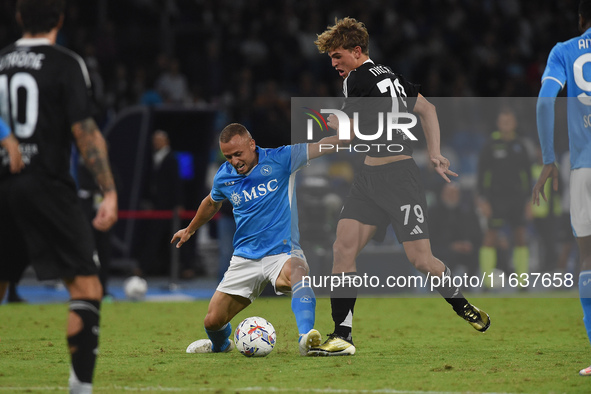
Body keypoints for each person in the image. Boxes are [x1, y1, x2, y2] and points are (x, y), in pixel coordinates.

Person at [312, 17, 490, 356]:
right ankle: (342, 335)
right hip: (370, 180)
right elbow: (428, 109)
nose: (334, 64)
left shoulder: (357, 81)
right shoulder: (389, 74)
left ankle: (461, 304)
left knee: (421, 260)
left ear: (356, 51)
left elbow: (350, 135)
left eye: (337, 56)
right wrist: (434, 153)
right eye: (331, 58)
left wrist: (319, 137)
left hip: (398, 181)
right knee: (342, 248)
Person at [0, 2, 118, 393]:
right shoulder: (67, 63)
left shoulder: (1, 61)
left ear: (19, 18)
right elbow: (84, 132)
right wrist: (109, 190)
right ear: (61, 20)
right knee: (86, 287)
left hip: (2, 185)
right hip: (46, 185)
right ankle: (79, 387)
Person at [171, 122, 347, 356]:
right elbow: (211, 203)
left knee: (298, 273)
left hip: (282, 252)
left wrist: (344, 133)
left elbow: (324, 146)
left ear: (252, 145)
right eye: (228, 156)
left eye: (238, 154)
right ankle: (220, 345)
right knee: (212, 321)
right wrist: (190, 229)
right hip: (245, 257)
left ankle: (306, 338)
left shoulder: (282, 158)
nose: (234, 161)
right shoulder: (224, 175)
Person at [532, 0, 591, 376]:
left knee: (588, 262)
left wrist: (549, 159)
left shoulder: (565, 51)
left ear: (581, 19)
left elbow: (543, 103)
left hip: (584, 170)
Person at [477, 109, 532, 287]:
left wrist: (529, 201)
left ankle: (522, 282)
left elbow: (528, 175)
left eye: (509, 121)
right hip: (495, 198)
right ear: (498, 124)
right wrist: (483, 200)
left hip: (517, 198)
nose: (506, 124)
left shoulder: (520, 145)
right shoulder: (490, 145)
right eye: (503, 121)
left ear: (514, 123)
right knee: (490, 237)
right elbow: (481, 175)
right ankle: (487, 283)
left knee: (520, 236)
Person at [429, 183, 483, 278]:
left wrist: (466, 243)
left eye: (454, 194)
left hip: (461, 249)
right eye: (449, 193)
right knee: (450, 256)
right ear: (443, 195)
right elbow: (431, 236)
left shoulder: (465, 213)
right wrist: (450, 245)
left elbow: (474, 232)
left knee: (476, 255)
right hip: (439, 248)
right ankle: (445, 286)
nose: (452, 196)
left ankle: (467, 286)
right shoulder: (433, 212)